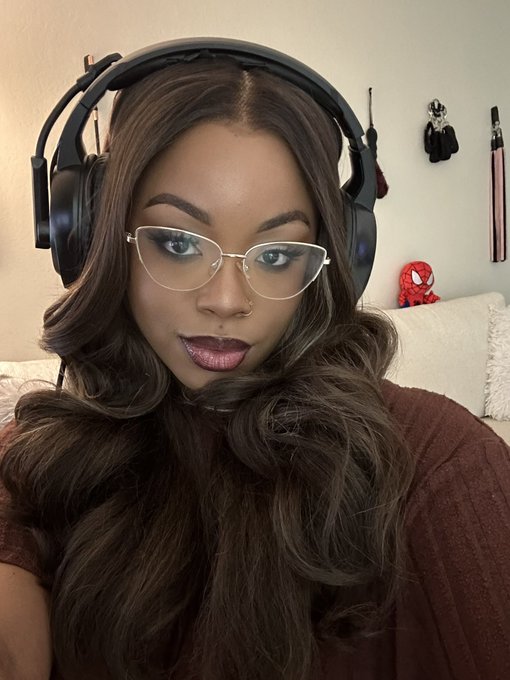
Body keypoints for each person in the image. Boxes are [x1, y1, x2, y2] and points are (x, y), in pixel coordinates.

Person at [0, 40, 509, 680]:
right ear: (92, 233)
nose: (226, 300)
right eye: (178, 243)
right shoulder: (37, 462)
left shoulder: (439, 462)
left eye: (276, 255)